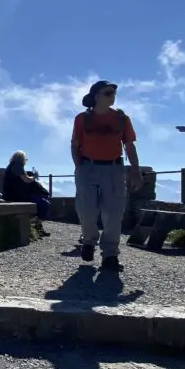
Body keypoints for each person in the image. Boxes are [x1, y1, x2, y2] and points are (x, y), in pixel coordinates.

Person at [71, 80, 143, 272]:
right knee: (86, 209)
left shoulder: (121, 119)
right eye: (108, 93)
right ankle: (88, 241)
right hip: (88, 167)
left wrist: (135, 170)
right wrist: (80, 167)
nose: (112, 96)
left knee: (113, 212)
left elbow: (129, 145)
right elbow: (75, 144)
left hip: (114, 169)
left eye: (113, 93)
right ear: (97, 96)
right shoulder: (82, 119)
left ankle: (110, 255)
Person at [2, 151, 52, 237]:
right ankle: (37, 226)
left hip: (12, 194)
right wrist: (34, 177)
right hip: (15, 196)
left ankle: (37, 225)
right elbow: (26, 180)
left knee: (41, 200)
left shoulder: (12, 166)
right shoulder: (17, 165)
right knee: (44, 204)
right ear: (22, 159)